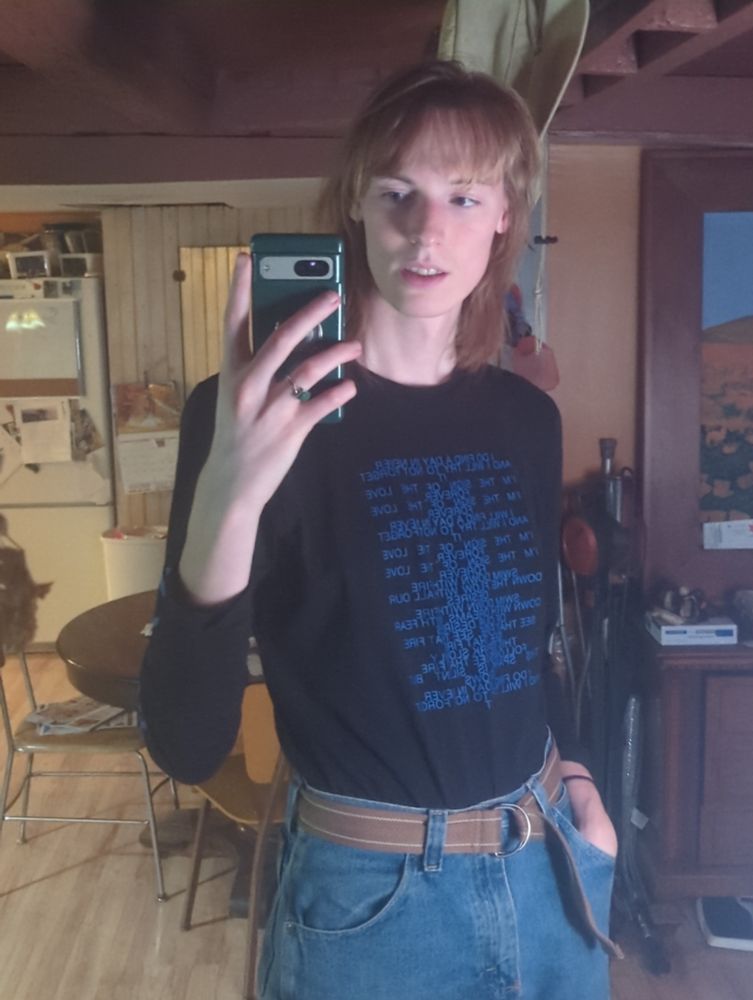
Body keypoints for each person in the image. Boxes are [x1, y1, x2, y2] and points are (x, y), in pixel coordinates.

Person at [140, 59, 619, 1000]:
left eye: (463, 196)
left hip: (547, 862)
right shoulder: (244, 416)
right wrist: (229, 496)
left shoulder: (526, 420)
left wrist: (582, 783)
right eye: (397, 191)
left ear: (503, 217)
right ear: (354, 202)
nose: (427, 228)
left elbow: (524, 647)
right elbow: (187, 745)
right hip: (370, 905)